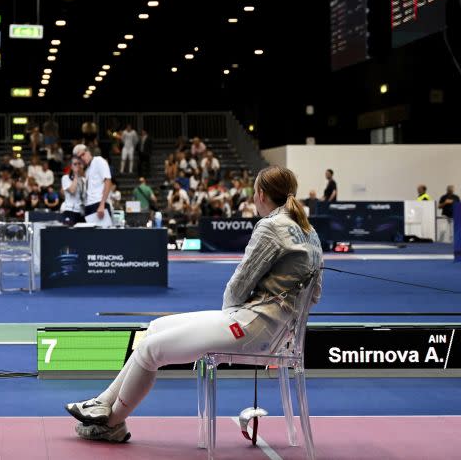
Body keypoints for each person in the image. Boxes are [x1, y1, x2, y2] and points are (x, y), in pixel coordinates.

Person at [65, 165, 323, 443]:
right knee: (155, 327)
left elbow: (238, 286)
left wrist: (232, 316)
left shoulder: (271, 226)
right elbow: (315, 294)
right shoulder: (309, 231)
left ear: (260, 194)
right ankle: (103, 402)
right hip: (273, 330)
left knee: (151, 350)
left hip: (251, 327)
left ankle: (112, 423)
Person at [73, 143, 113, 227]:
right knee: (92, 238)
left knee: (103, 236)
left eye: (83, 154)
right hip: (89, 205)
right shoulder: (87, 169)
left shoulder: (99, 160)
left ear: (88, 152)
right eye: (79, 157)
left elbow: (108, 181)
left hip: (99, 203)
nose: (82, 158)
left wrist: (102, 204)